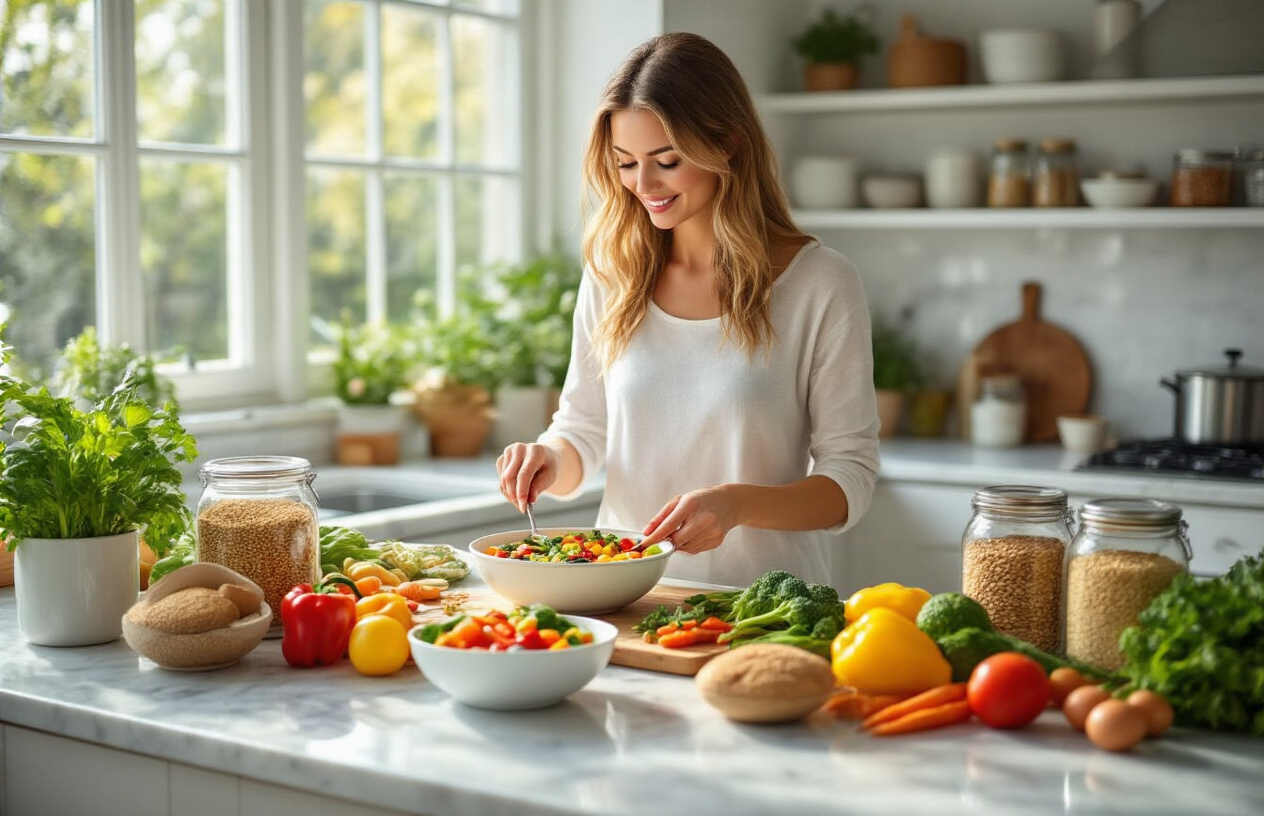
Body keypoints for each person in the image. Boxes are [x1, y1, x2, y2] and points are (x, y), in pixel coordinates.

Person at [495, 32, 879, 588]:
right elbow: (583, 431)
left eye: (667, 161)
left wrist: (735, 504)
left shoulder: (821, 283)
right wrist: (548, 459)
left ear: (727, 143)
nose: (642, 185)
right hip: (623, 596)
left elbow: (851, 480)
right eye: (625, 163)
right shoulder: (612, 275)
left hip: (764, 607)